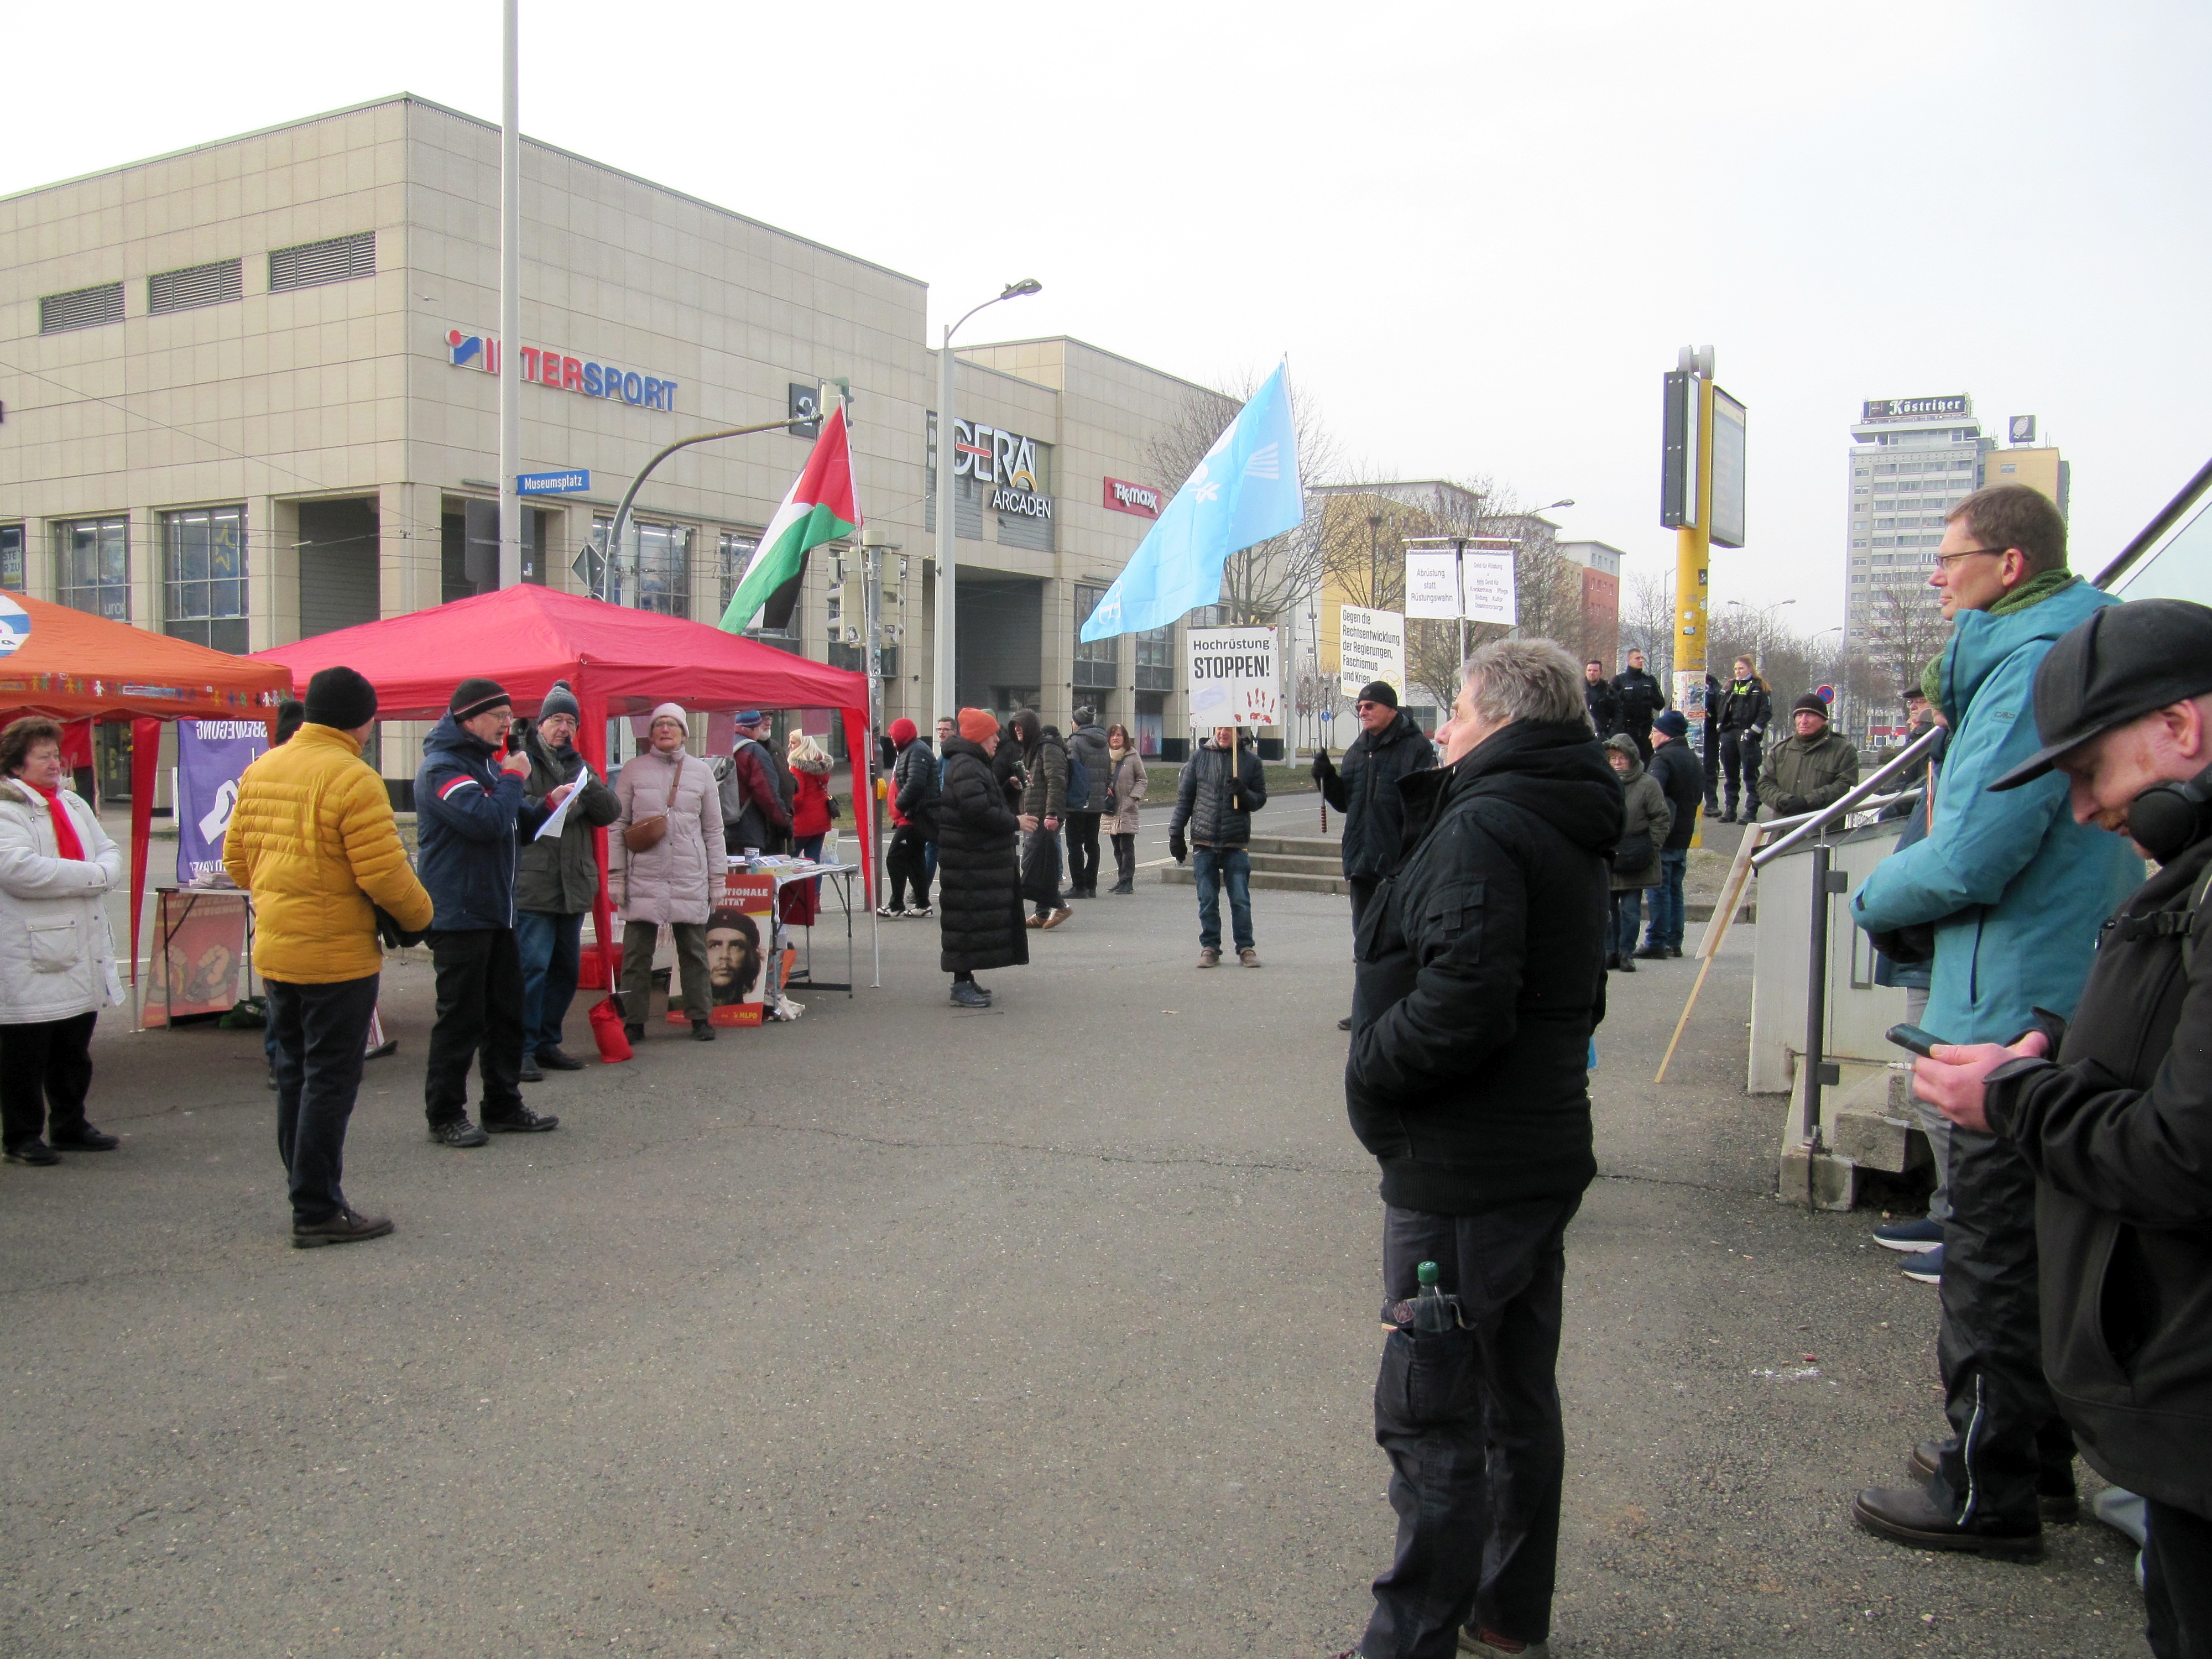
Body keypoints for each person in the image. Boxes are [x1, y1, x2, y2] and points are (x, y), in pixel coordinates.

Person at [1847, 482, 2144, 1558]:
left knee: (1992, 1253)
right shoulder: (2069, 648)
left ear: (2008, 566)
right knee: (2039, 1246)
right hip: (2056, 985)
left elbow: (1977, 849)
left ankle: (1989, 1484)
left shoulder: (2028, 664)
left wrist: (1875, 897)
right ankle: (2034, 1456)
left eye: (1949, 557)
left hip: (2009, 1002)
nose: (1935, 576)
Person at [1908, 598, 2212, 1648]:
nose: (2084, 810)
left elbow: (2186, 1152)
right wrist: (2062, 1047)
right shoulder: (2188, 873)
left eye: (2091, 772)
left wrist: (2015, 1098)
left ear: (2180, 727)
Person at [1335, 638, 1619, 1659]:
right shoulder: (1551, 809)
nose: (1443, 728)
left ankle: (1412, 1638)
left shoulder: (1489, 820)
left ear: (1500, 717)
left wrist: (1371, 1069)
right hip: (1529, 1146)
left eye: (1455, 710)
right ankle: (1506, 1609)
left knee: (1434, 1410)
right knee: (1512, 1394)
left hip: (1464, 1161)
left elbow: (1464, 1002)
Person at [223, 667, 433, 1243]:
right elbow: (386, 875)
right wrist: (422, 918)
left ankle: (304, 1188)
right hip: (336, 955)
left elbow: (237, 862)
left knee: (294, 1072)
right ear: (362, 719)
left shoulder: (264, 767)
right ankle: (316, 1208)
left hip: (277, 947)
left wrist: (281, 892)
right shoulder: (353, 777)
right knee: (330, 1081)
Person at [415, 676, 558, 1147]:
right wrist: (515, 778)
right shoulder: (442, 768)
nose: (506, 725)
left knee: (506, 1015)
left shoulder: (485, 765)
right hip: (460, 913)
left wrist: (547, 805)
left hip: (498, 911)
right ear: (469, 718)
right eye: (499, 717)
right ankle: (445, 1114)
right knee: (461, 1019)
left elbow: (513, 826)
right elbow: (486, 822)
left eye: (509, 717)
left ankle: (502, 1105)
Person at [0, 717, 124, 1168]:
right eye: (44, 757)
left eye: (57, 755)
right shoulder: (7, 809)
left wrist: (103, 871)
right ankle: (22, 1136)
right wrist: (94, 876)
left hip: (80, 946)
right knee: (25, 1053)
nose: (55, 764)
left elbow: (108, 849)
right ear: (17, 765)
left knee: (73, 1049)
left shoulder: (71, 802)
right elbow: (18, 870)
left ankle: (71, 1123)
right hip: (29, 952)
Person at [1312, 680, 1437, 1028]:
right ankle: (1367, 1008)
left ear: (1391, 709)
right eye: (1360, 707)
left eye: (1370, 706)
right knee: (1365, 941)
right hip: (1362, 861)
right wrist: (1326, 777)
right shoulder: (1357, 750)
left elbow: (1423, 806)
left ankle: (1409, 1009)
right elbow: (1345, 803)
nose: (1363, 712)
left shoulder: (1416, 748)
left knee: (1403, 941)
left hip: (1399, 863)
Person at [514, 679, 619, 1081]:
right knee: (532, 968)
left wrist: (584, 779)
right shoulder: (523, 762)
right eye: (557, 720)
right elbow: (517, 809)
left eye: (571, 722)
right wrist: (558, 804)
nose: (564, 729)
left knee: (564, 970)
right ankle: (521, 1048)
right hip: (535, 884)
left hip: (573, 883)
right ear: (540, 723)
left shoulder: (580, 765)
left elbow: (609, 811)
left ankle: (547, 1042)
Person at [614, 703, 723, 1044]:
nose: (665, 729)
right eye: (659, 724)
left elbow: (713, 830)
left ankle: (700, 1017)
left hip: (689, 874)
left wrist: (717, 879)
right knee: (635, 955)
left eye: (672, 724)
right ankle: (633, 1021)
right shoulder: (633, 770)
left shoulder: (701, 773)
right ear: (650, 733)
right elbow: (617, 826)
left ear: (684, 733)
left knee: (694, 952)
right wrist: (616, 875)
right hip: (643, 875)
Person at [936, 707, 1026, 1008]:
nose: (997, 740)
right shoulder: (967, 765)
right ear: (978, 737)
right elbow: (977, 811)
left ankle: (966, 977)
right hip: (968, 860)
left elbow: (982, 802)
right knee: (966, 921)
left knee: (972, 921)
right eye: (992, 735)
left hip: (972, 859)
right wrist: (1015, 822)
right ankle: (961, 983)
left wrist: (1008, 789)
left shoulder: (972, 763)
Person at [1168, 724, 1267, 968]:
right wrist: (1176, 833)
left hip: (1235, 841)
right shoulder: (1199, 758)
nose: (1223, 733)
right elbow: (1185, 798)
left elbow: (1259, 800)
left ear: (1239, 733)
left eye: (1229, 729)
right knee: (1207, 899)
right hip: (1204, 840)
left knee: (1240, 899)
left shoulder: (1251, 762)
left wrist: (1244, 793)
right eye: (1220, 728)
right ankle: (1210, 947)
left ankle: (1246, 947)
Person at [1602, 733, 1670, 974]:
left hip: (1636, 857)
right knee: (1608, 910)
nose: (1618, 762)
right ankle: (1610, 952)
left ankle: (1626, 953)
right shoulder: (1603, 782)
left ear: (1632, 758)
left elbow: (1661, 819)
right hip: (1608, 855)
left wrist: (1651, 847)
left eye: (1622, 758)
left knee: (1631, 911)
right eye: (1613, 758)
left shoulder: (1648, 784)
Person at [1639, 709, 1703, 959]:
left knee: (1658, 888)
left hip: (1665, 832)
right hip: (1684, 833)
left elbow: (1653, 794)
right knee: (1675, 888)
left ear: (1666, 734)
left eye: (1654, 732)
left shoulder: (1662, 759)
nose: (1650, 737)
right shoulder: (1693, 758)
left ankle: (1657, 940)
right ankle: (1675, 941)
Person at [1011, 709, 1071, 930]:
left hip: (1044, 816)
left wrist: (1052, 813)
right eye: (1014, 726)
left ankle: (1061, 906)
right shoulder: (1030, 749)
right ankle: (1042, 913)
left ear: (1030, 726)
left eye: (1021, 725)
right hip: (1032, 815)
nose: (1017, 729)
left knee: (1031, 867)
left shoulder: (1048, 748)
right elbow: (1032, 784)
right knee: (1041, 868)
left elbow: (1056, 781)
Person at [1756, 693, 1859, 821]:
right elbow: (1764, 784)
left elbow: (1846, 785)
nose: (1803, 721)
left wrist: (1808, 802)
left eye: (1810, 715)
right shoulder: (1780, 750)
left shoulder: (1843, 749)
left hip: (1824, 826)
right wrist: (1782, 800)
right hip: (1784, 826)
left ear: (1823, 720)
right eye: (1799, 716)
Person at [717, 711, 791, 857]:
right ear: (753, 729)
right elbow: (767, 795)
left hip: (720, 829)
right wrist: (784, 822)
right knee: (748, 871)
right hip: (748, 831)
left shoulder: (720, 747)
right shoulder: (754, 751)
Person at [884, 718, 937, 917]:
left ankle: (896, 904)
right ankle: (923, 904)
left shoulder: (917, 751)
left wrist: (899, 804)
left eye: (893, 735)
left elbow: (915, 783)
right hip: (911, 815)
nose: (891, 739)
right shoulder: (909, 750)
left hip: (914, 816)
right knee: (915, 860)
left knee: (895, 857)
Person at [781, 732, 833, 930]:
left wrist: (784, 804)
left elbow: (798, 797)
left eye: (793, 743)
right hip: (821, 820)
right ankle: (815, 901)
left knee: (790, 861)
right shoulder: (821, 764)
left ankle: (790, 900)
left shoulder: (797, 765)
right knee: (814, 861)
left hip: (802, 822)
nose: (790, 746)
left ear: (802, 744)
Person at [1712, 656, 1771, 823]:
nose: (1738, 672)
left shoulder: (1760, 687)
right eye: (1736, 669)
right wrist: (1720, 727)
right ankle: (1730, 809)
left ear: (1750, 669)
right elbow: (1721, 707)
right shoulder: (1729, 686)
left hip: (1748, 734)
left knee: (1750, 774)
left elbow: (1766, 712)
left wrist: (1753, 731)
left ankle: (1751, 810)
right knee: (1730, 773)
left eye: (1741, 669)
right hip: (1729, 733)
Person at [1064, 706, 1111, 900]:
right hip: (1097, 801)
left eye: (1073, 721)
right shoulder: (1103, 743)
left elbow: (1071, 770)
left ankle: (1079, 886)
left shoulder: (1074, 742)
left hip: (1078, 801)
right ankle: (1092, 885)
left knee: (1074, 844)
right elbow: (1108, 772)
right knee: (1092, 843)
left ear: (1078, 723)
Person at [1104, 722, 1147, 895]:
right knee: (1116, 847)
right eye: (1113, 735)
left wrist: (1133, 798)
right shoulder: (1105, 756)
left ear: (1125, 738)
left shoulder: (1132, 756)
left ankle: (1127, 881)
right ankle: (1121, 879)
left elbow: (1142, 780)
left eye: (1119, 735)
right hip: (1110, 807)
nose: (1115, 738)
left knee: (1126, 846)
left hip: (1127, 808)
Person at [1609, 647, 1667, 760]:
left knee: (1646, 760)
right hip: (1626, 729)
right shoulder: (1619, 680)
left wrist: (1650, 696)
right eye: (1637, 658)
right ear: (1629, 661)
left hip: (1645, 729)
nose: (1641, 661)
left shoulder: (1649, 680)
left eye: (1642, 658)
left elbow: (1660, 704)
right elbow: (1611, 707)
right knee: (1626, 759)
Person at [704, 905, 764, 1007]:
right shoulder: (677, 1008)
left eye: (736, 946)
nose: (724, 955)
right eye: (715, 945)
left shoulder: (752, 1013)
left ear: (749, 956)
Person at [1582, 660, 1617, 739]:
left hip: (1603, 734)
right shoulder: (1578, 689)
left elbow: (1617, 714)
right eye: (1589, 670)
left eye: (1595, 671)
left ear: (1601, 673)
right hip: (1582, 733)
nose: (1592, 673)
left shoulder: (1608, 691)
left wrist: (1611, 735)